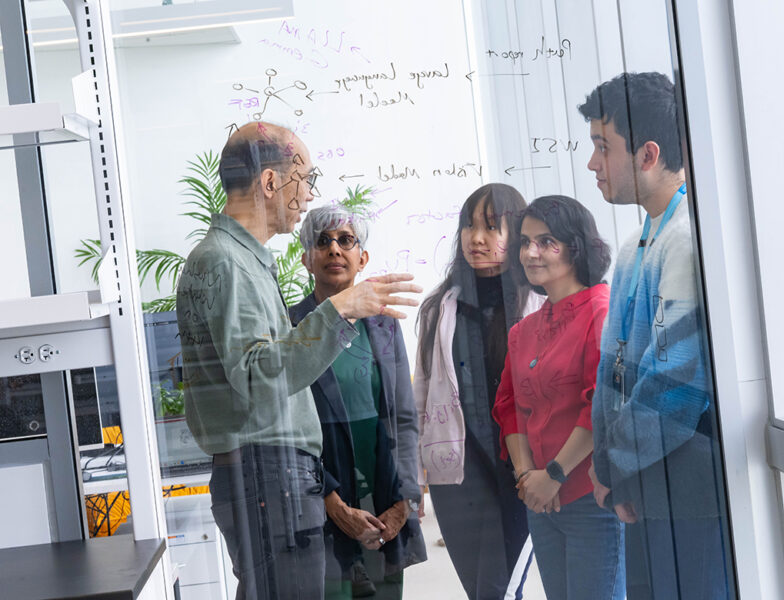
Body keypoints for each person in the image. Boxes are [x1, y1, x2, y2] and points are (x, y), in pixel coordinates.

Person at [176, 121, 421, 600]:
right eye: (304, 178)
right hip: (268, 475)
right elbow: (259, 374)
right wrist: (341, 309)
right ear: (270, 182)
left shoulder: (240, 261)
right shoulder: (228, 262)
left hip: (270, 477)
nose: (309, 194)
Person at [581, 72, 729, 599]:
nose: (593, 163)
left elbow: (676, 381)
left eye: (603, 147)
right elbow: (610, 372)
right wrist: (616, 471)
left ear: (647, 154)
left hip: (689, 488)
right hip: (650, 481)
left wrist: (613, 466)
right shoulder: (636, 243)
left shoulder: (687, 237)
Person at [289, 205, 426, 599]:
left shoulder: (384, 324)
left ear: (361, 257)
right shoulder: (291, 327)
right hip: (322, 489)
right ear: (306, 259)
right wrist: (332, 503)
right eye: (322, 241)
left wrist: (404, 497)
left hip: (383, 483)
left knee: (384, 592)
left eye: (345, 240)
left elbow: (403, 416)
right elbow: (292, 430)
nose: (334, 250)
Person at [492, 195, 624, 600]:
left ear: (575, 246)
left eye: (547, 241)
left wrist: (554, 475)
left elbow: (601, 405)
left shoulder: (602, 311)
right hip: (540, 500)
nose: (532, 252)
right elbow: (509, 407)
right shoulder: (524, 329)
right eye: (526, 241)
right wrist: (527, 477)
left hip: (590, 497)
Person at [414, 183, 540, 600]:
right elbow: (421, 393)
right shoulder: (442, 306)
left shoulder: (537, 305)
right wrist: (413, 478)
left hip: (518, 469)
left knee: (499, 590)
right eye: (469, 226)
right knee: (482, 591)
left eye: (491, 226)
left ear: (517, 233)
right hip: (459, 478)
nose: (477, 238)